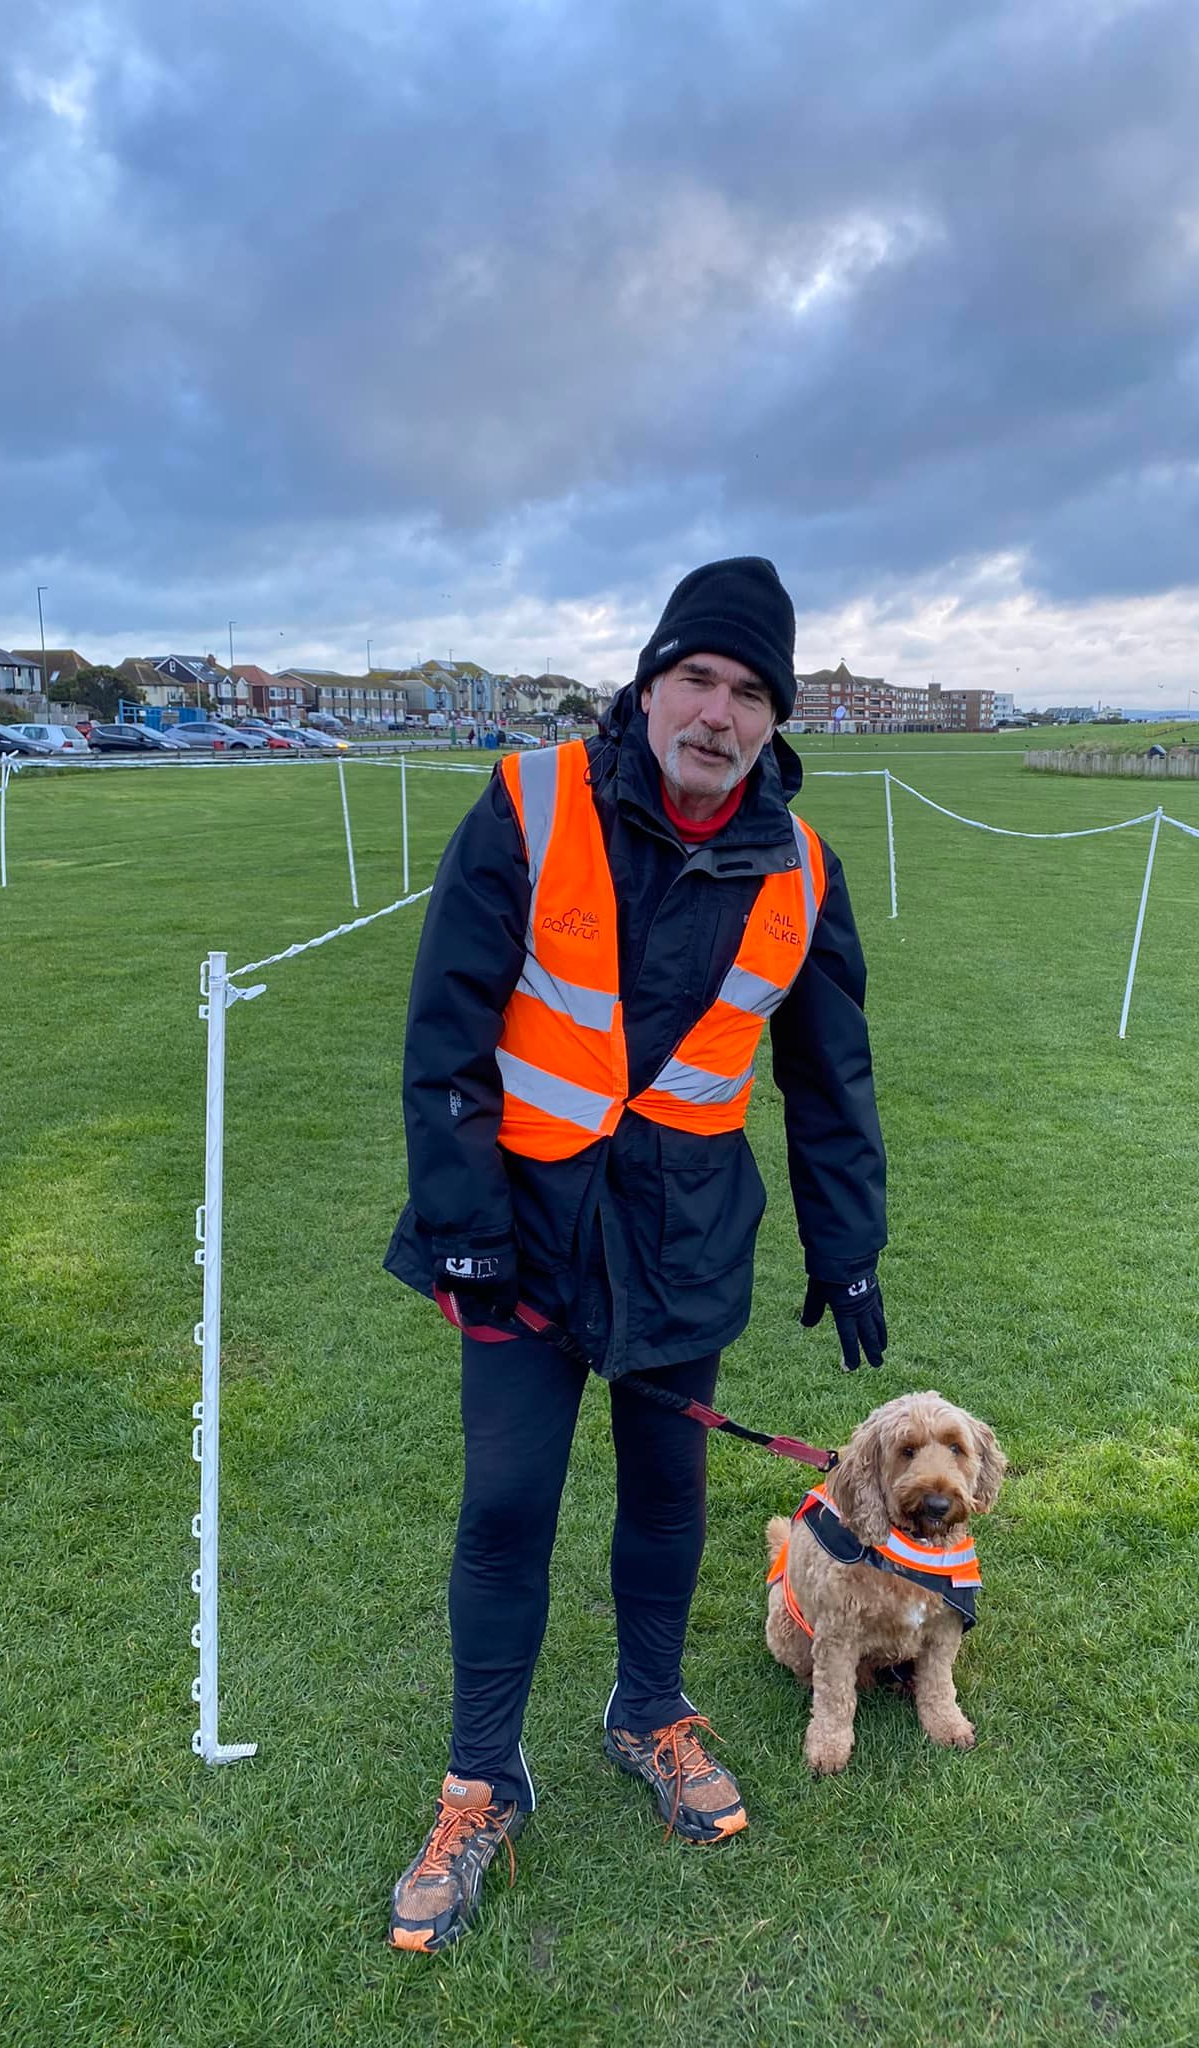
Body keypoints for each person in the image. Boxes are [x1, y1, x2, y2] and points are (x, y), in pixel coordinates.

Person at [383, 557, 888, 1953]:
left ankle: (649, 1710)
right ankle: (483, 1780)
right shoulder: (526, 804)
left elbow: (829, 1072)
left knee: (667, 1493)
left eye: (749, 692)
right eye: (698, 679)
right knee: (507, 1504)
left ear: (775, 722)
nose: (718, 713)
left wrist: (848, 1246)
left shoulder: (802, 867)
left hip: (682, 1236)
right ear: (649, 686)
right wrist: (466, 1235)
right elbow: (446, 1040)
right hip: (522, 1238)